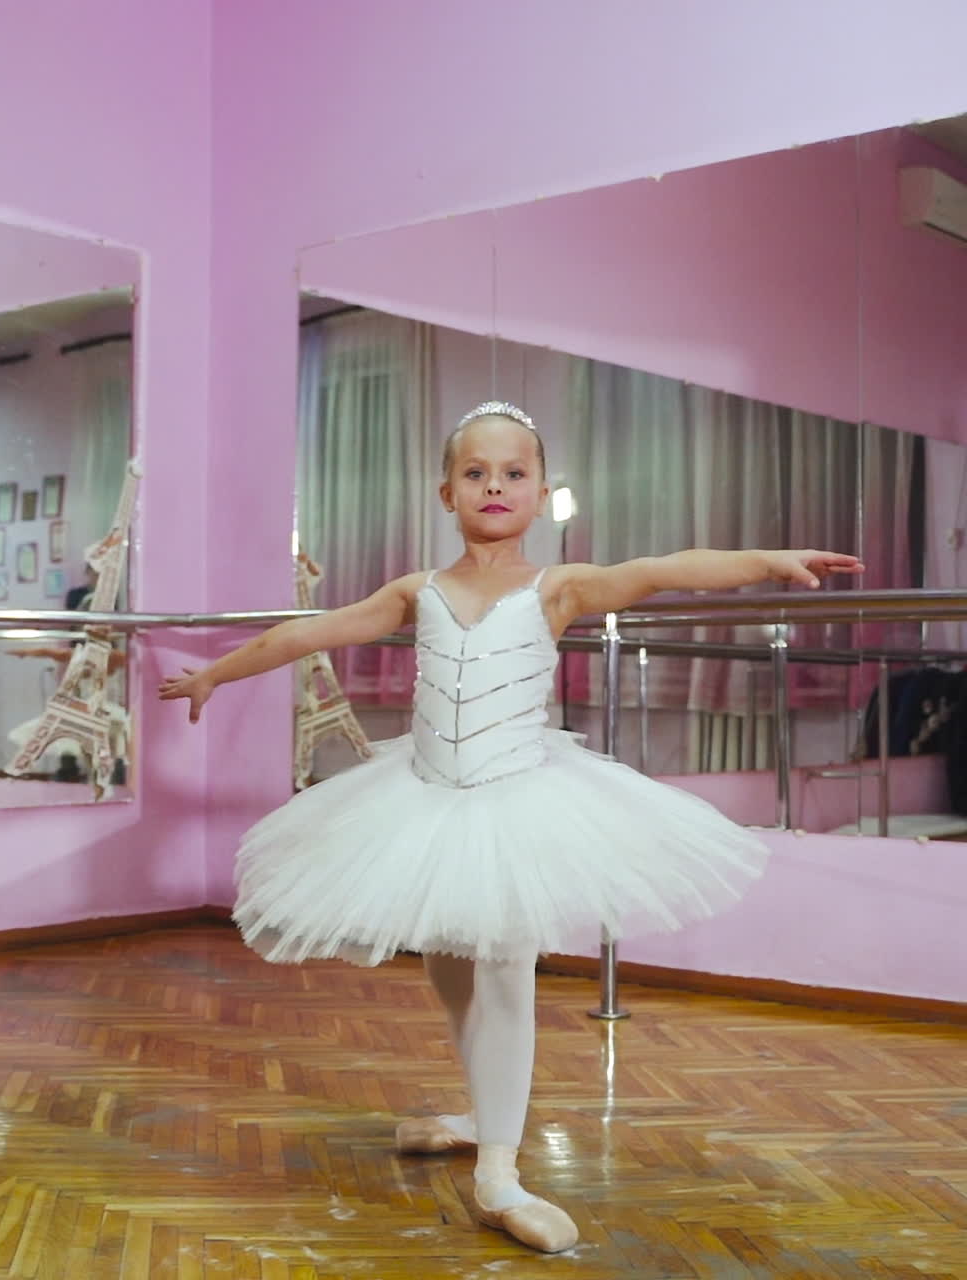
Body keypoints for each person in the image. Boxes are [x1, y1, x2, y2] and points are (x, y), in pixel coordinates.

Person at [158, 401, 862, 1253]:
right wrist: (217, 676)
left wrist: (767, 561)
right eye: (477, 472)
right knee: (450, 970)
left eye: (514, 473)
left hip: (516, 801)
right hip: (423, 800)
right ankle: (479, 1109)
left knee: (503, 974)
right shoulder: (417, 591)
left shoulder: (555, 587)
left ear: (540, 491)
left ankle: (499, 1169)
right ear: (447, 491)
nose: (496, 485)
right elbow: (314, 630)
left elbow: (664, 568)